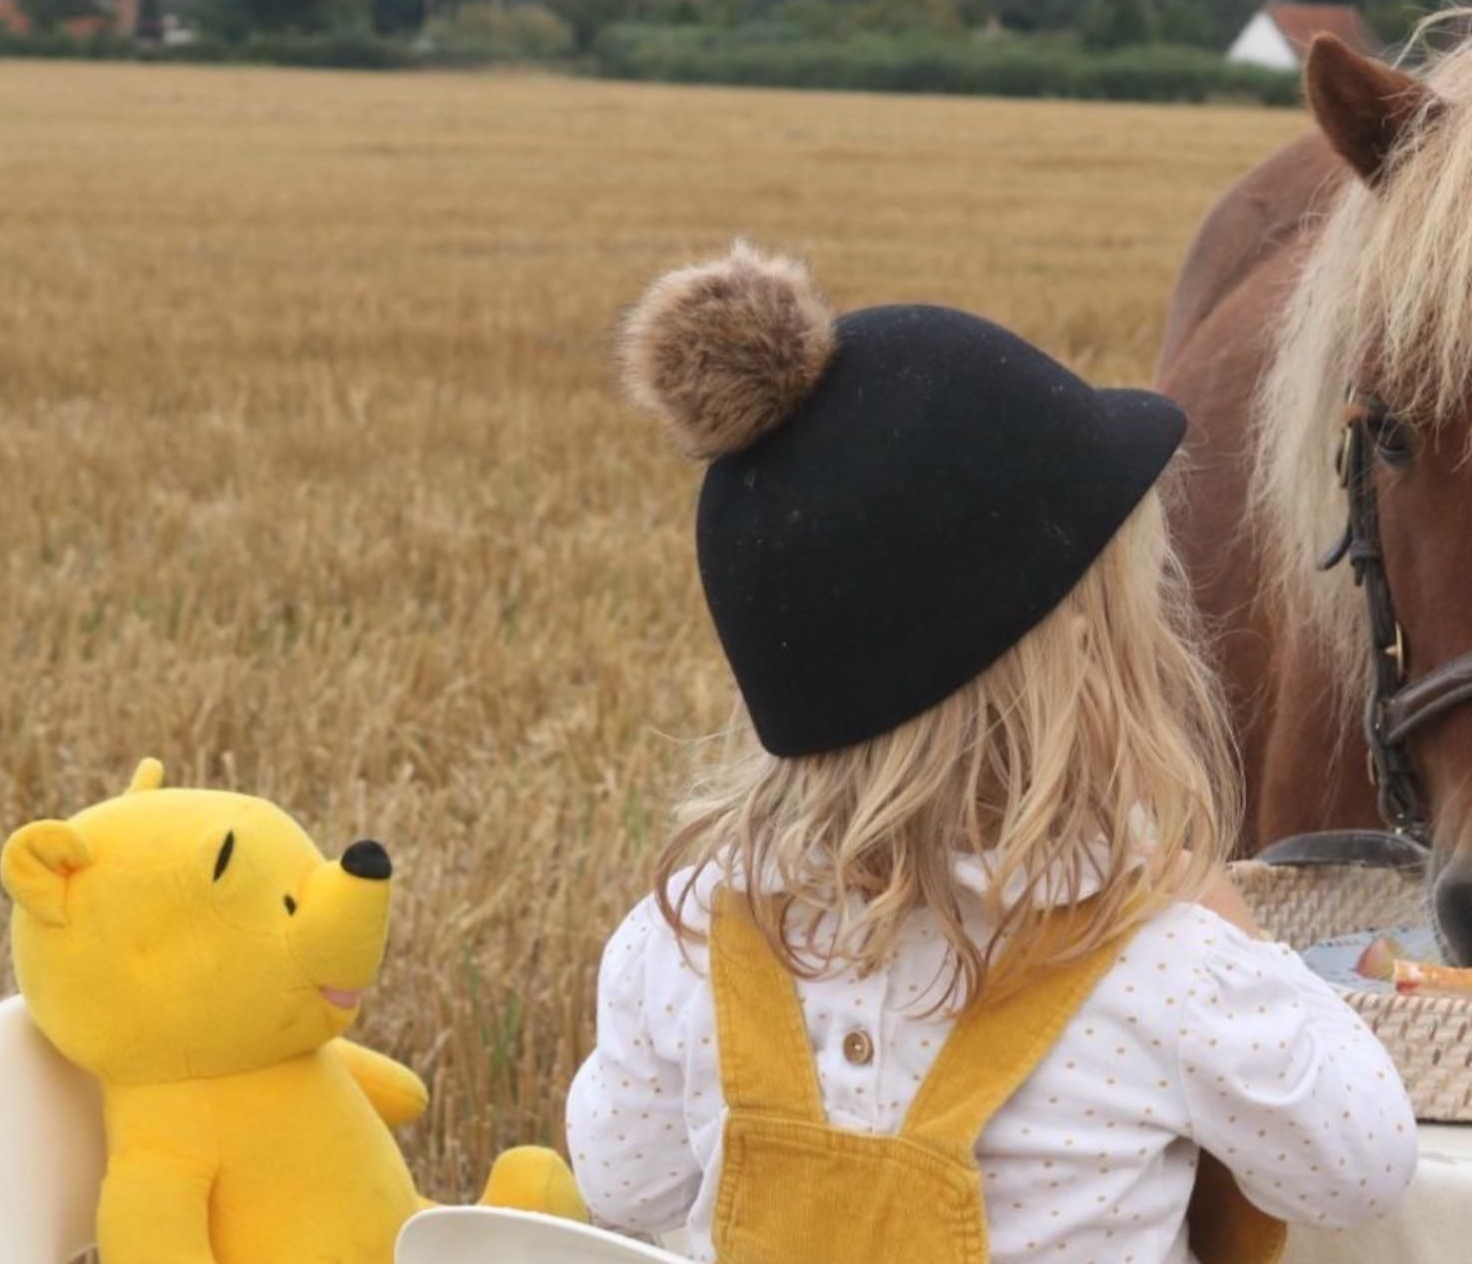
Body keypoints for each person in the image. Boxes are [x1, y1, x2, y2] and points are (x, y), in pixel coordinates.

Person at [567, 242, 1417, 1263]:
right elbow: (1361, 1166)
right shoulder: (1157, 963)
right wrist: (1207, 900)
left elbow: (624, 1181)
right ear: (1084, 659)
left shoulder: (686, 937)